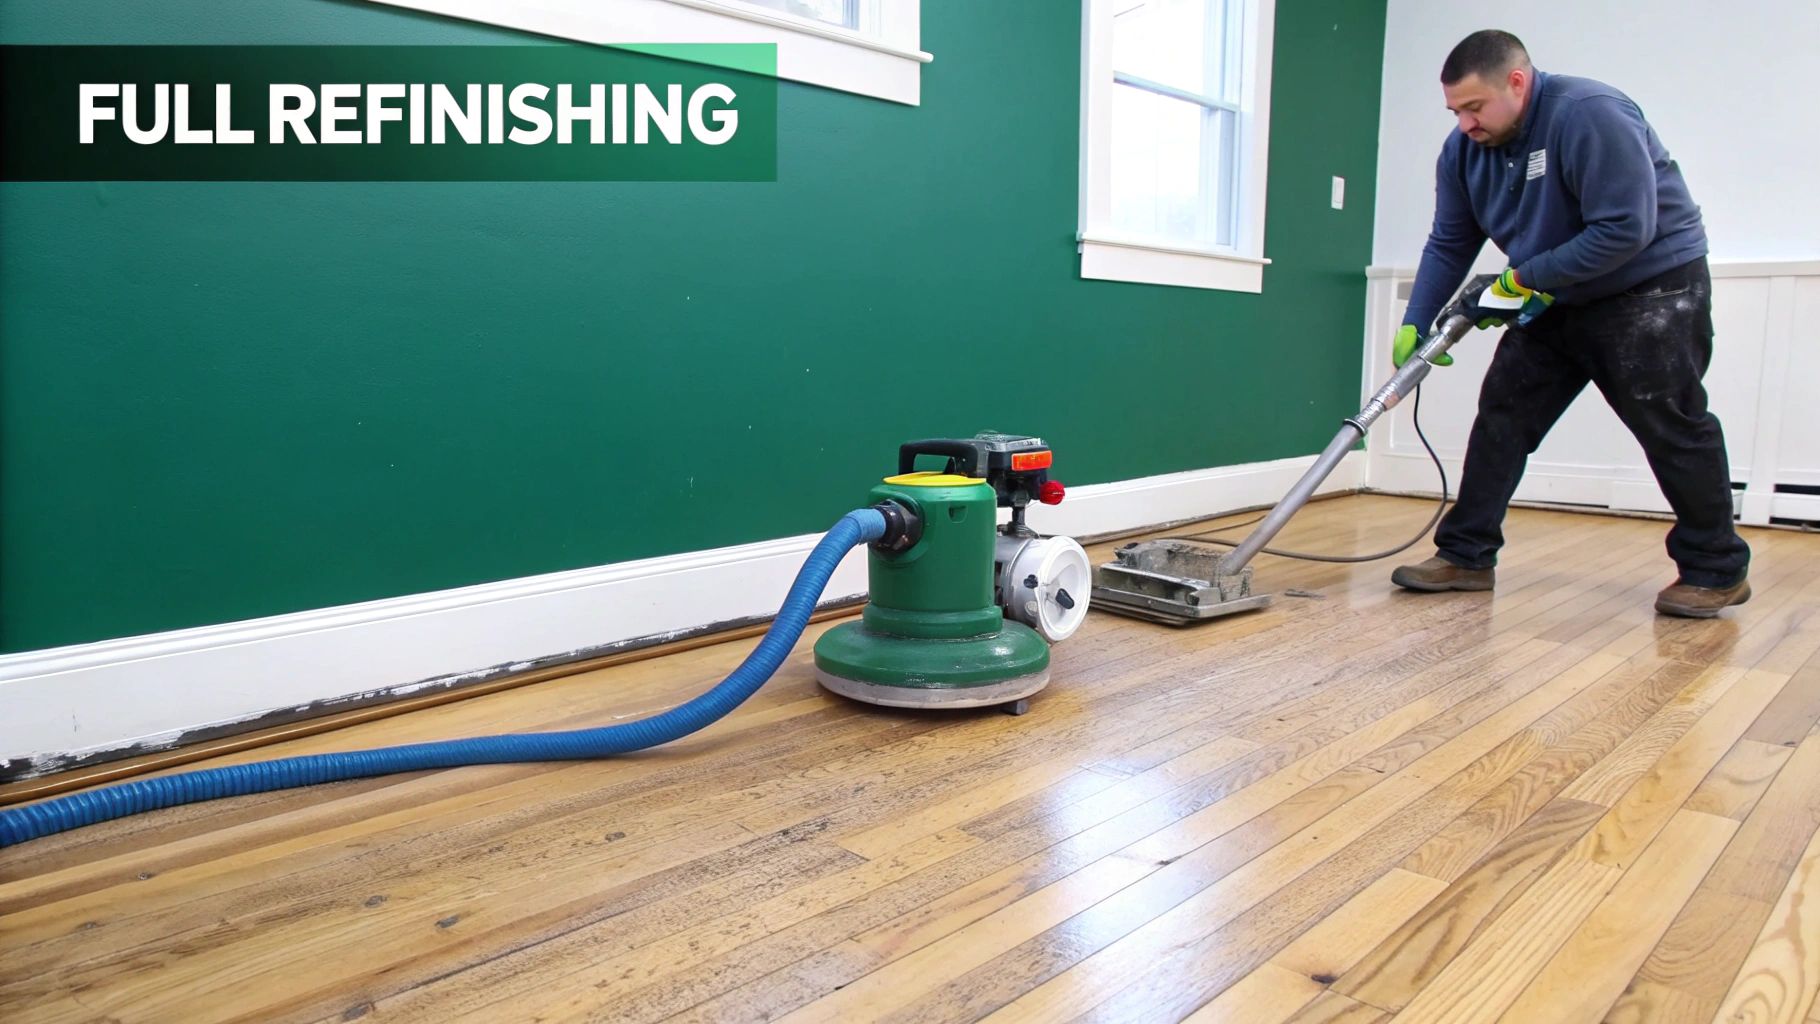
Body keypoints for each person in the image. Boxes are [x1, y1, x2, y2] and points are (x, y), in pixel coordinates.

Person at [1388, 29, 1751, 618]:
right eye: (1455, 111)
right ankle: (1466, 555)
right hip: (1554, 289)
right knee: (1504, 414)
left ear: (1517, 81)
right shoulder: (1464, 152)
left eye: (1475, 108)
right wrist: (1416, 319)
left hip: (1649, 284)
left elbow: (1624, 230)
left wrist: (1516, 282)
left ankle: (1715, 569)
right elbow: (1451, 239)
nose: (1464, 125)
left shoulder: (1590, 114)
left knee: (1671, 423)